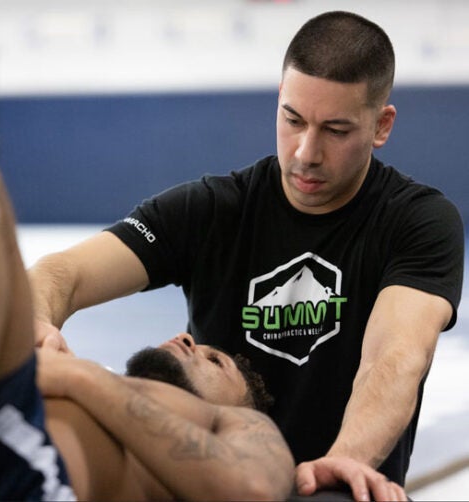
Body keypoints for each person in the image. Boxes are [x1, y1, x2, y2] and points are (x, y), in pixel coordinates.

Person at [28, 9, 465, 497]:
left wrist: (340, 464)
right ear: (279, 99)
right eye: (292, 119)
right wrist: (35, 322)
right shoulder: (211, 210)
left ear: (382, 125)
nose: (305, 152)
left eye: (336, 130)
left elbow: (395, 357)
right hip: (209, 483)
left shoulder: (416, 221)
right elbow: (59, 274)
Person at [0, 143, 405, 501]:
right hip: (7, 419)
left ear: (238, 405)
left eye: (216, 360)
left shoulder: (243, 425)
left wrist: (79, 379)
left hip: (32, 477)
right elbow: (60, 274)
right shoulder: (79, 375)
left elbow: (251, 490)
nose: (187, 340)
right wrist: (39, 326)